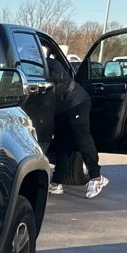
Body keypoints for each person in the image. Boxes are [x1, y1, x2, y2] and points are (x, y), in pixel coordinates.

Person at [47, 55, 108, 198]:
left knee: (82, 138)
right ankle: (56, 183)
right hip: (61, 107)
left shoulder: (50, 63)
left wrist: (44, 79)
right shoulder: (32, 66)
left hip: (77, 102)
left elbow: (57, 76)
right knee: (63, 143)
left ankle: (96, 178)